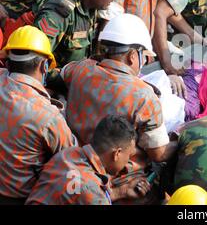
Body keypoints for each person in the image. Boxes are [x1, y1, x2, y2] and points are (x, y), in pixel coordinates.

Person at [60, 13, 175, 165]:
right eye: (143, 56)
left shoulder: (79, 69)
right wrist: (181, 139)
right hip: (116, 174)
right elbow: (159, 154)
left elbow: (63, 73)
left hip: (73, 157)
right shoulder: (145, 96)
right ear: (133, 56)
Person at [0, 26, 77, 204]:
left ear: (8, 62)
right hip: (22, 197)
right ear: (44, 66)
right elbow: (70, 156)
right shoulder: (48, 116)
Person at [26, 115, 152, 205]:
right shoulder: (93, 193)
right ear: (117, 153)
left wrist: (121, 192)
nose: (127, 163)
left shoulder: (67, 154)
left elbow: (77, 192)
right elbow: (87, 193)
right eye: (129, 156)